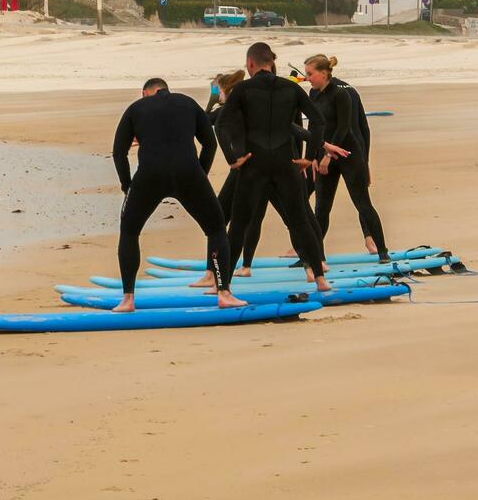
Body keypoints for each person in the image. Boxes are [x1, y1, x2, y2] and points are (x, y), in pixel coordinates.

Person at [112, 77, 244, 313]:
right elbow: (210, 144)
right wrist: (200, 175)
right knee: (215, 229)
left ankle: (127, 299)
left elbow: (118, 152)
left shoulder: (136, 108)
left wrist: (127, 185)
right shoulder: (188, 103)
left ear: (145, 93)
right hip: (188, 173)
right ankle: (224, 293)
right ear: (166, 89)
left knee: (129, 232)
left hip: (149, 176)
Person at [223, 43, 335, 292]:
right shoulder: (291, 88)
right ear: (270, 62)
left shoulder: (242, 89)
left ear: (250, 63)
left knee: (240, 224)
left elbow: (221, 125)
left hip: (254, 165)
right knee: (300, 221)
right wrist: (310, 156)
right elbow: (318, 121)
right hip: (286, 164)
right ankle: (320, 279)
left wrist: (233, 158)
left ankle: (224, 287)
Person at [303, 54, 390, 262]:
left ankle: (382, 251)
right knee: (321, 209)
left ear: (324, 73)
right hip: (325, 156)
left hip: (348, 154)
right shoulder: (313, 95)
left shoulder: (341, 94)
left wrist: (328, 156)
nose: (307, 78)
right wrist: (312, 157)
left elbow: (344, 128)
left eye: (310, 74)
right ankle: (314, 255)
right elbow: (313, 127)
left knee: (363, 204)